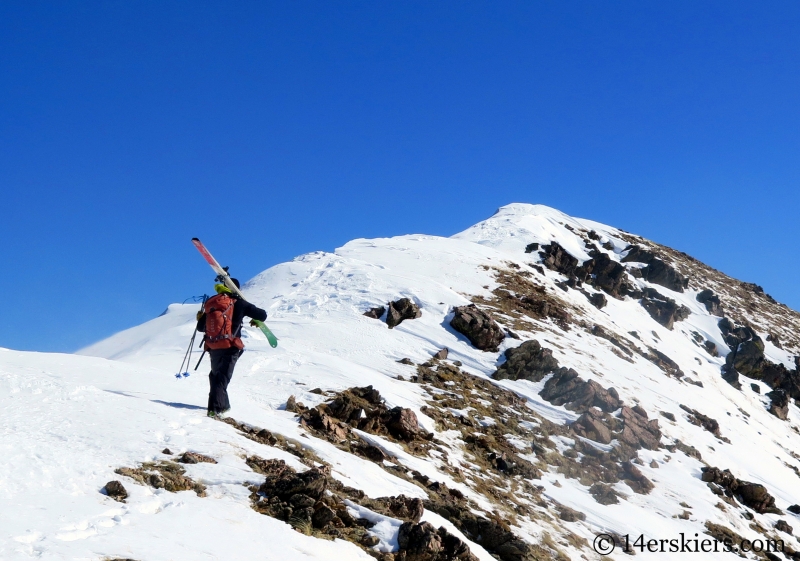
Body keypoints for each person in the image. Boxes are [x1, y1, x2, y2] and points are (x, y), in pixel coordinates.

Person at [195, 278, 267, 417]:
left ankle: (224, 405)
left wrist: (201, 318)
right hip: (231, 345)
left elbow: (200, 328)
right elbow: (262, 315)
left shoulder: (214, 303)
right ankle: (215, 410)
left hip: (213, 346)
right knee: (222, 378)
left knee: (216, 376)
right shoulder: (240, 303)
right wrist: (254, 318)